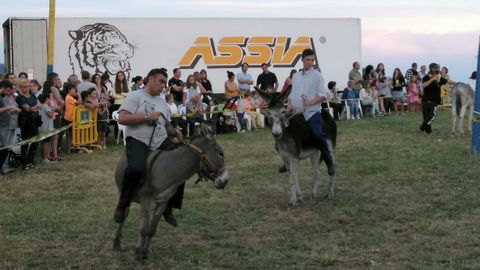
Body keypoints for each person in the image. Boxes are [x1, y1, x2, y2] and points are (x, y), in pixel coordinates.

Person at [113, 68, 183, 226]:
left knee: (180, 165)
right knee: (136, 168)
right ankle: (123, 204)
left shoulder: (162, 101)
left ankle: (168, 207)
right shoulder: (135, 96)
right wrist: (146, 117)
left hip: (160, 140)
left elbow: (166, 124)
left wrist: (175, 132)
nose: (164, 85)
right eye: (161, 81)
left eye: (165, 82)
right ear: (151, 79)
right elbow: (122, 118)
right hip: (138, 139)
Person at [287, 49, 334, 176]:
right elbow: (291, 93)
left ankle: (329, 161)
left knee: (318, 135)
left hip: (311, 113)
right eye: (308, 60)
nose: (310, 62)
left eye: (312, 60)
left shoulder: (317, 76)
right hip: (296, 113)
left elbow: (322, 95)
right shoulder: (296, 76)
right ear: (302, 60)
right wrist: (289, 104)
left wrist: (311, 102)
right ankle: (286, 160)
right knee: (281, 131)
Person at [418, 63, 454, 134]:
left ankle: (421, 129)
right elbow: (424, 85)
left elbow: (448, 81)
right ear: (432, 69)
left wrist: (458, 83)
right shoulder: (426, 77)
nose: (439, 70)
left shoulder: (439, 77)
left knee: (432, 115)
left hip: (434, 100)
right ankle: (428, 131)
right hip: (425, 99)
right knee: (426, 117)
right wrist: (432, 79)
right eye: (437, 68)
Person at [16, 79, 41, 170]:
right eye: (25, 86)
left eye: (28, 86)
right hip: (25, 122)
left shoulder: (32, 95)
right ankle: (25, 162)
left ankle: (31, 160)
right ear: (20, 87)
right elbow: (27, 109)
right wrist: (34, 107)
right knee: (25, 142)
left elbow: (39, 105)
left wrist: (34, 107)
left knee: (35, 141)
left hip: (35, 120)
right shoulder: (20, 97)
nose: (27, 88)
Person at [37, 94, 55, 165]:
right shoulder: (45, 106)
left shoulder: (42, 106)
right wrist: (53, 108)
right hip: (46, 128)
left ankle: (46, 157)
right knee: (46, 143)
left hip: (44, 127)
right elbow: (50, 115)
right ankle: (45, 158)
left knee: (46, 142)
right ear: (46, 99)